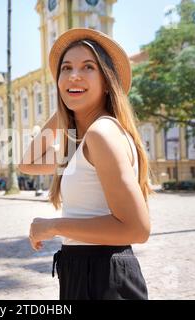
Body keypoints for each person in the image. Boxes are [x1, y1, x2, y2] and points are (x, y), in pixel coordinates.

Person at [19, 28, 153, 300]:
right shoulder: (82, 143)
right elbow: (28, 162)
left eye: (88, 67)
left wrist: (54, 226)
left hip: (102, 275)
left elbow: (136, 229)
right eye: (66, 69)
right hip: (83, 269)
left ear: (107, 82)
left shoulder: (101, 133)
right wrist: (71, 100)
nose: (73, 74)